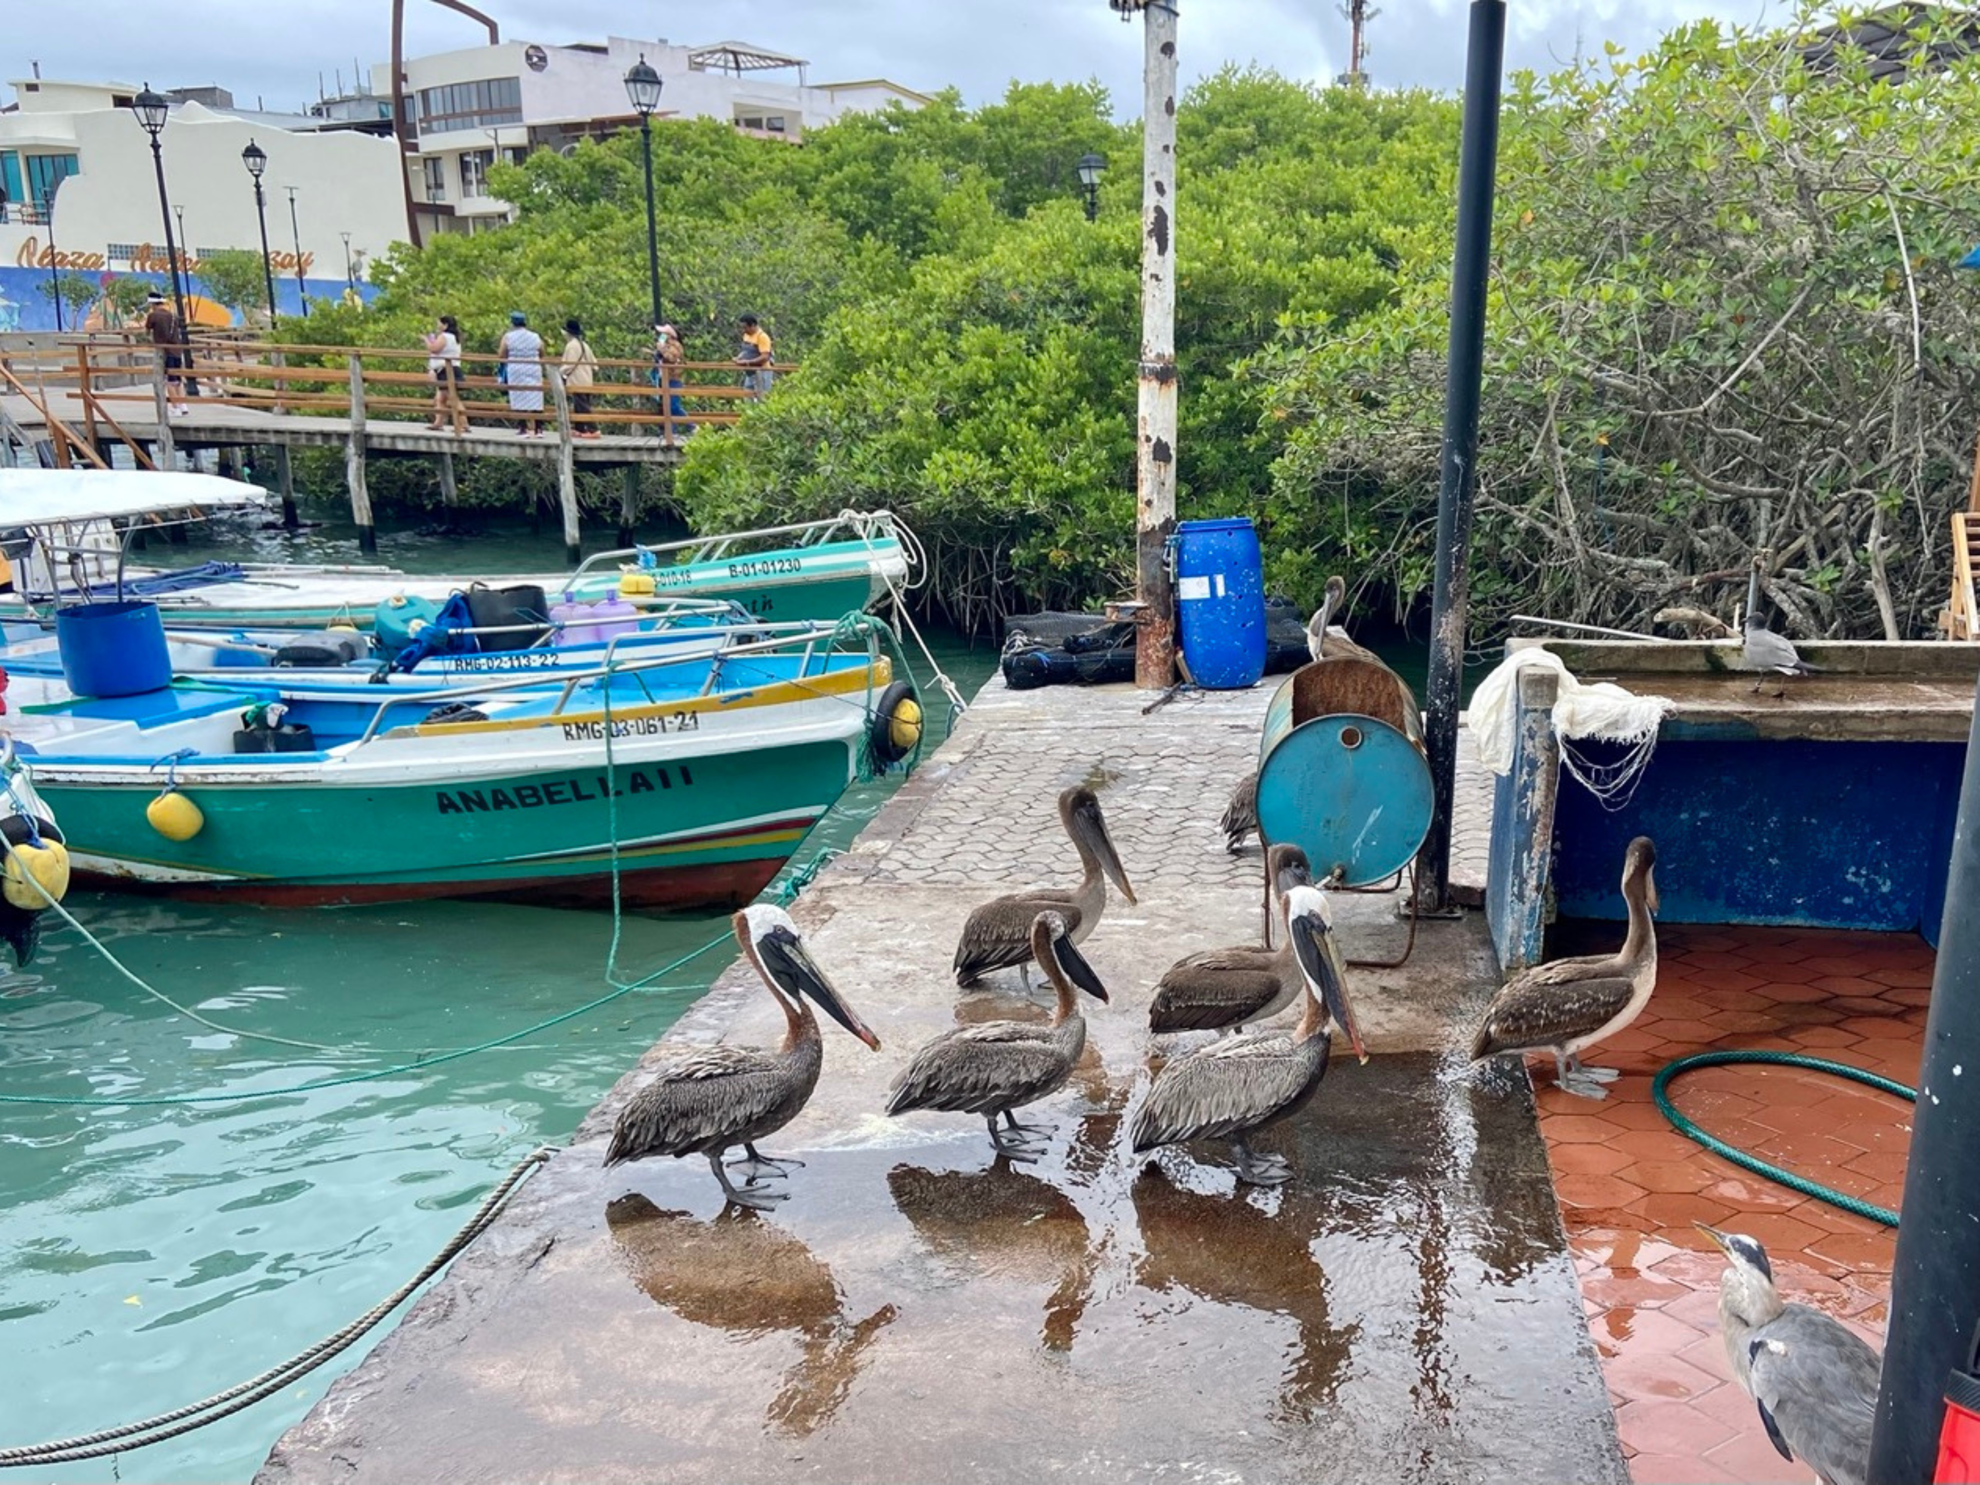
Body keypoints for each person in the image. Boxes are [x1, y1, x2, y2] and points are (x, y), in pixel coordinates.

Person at [498, 310, 544, 437]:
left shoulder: (508, 337)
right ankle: (538, 428)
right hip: (533, 367)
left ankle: (523, 427)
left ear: (512, 322)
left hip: (516, 368)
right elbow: (542, 351)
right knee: (535, 396)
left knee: (518, 395)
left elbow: (501, 354)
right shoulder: (535, 336)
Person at [143, 290, 189, 417]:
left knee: (168, 381)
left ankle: (175, 408)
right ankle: (183, 405)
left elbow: (146, 332)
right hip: (177, 350)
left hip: (163, 350)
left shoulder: (153, 316)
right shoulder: (172, 315)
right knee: (178, 379)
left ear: (152, 304)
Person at [423, 314, 466, 434]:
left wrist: (426, 340)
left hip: (446, 370)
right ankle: (439, 422)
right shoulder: (454, 337)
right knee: (441, 398)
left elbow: (434, 349)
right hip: (451, 368)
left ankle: (464, 423)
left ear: (445, 325)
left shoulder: (445, 336)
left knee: (452, 398)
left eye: (439, 323)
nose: (438, 325)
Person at [560, 317, 600, 438]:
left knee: (582, 406)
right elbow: (595, 365)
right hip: (587, 379)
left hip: (577, 380)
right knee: (581, 404)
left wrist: (560, 371)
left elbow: (569, 364)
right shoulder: (584, 345)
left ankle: (594, 429)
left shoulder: (571, 346)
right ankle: (580, 429)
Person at [653, 322, 691, 434]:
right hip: (665, 378)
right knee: (667, 407)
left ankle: (692, 425)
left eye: (664, 334)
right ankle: (671, 432)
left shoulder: (675, 345)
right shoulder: (667, 345)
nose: (661, 336)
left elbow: (672, 358)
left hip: (673, 379)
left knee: (673, 406)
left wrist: (662, 350)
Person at [735, 313, 773, 399]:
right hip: (750, 372)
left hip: (762, 372)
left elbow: (765, 357)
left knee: (762, 398)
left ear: (753, 325)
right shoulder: (746, 336)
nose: (743, 330)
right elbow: (746, 350)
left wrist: (747, 362)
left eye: (745, 327)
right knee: (747, 396)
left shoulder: (762, 337)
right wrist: (739, 357)